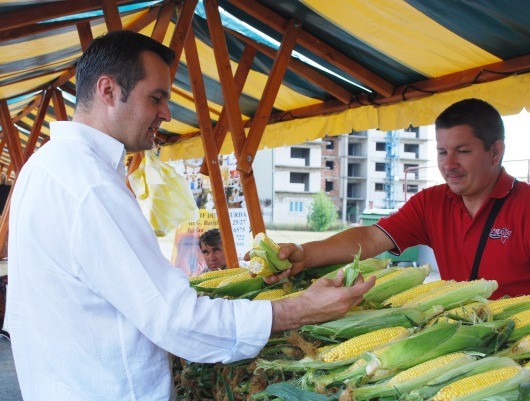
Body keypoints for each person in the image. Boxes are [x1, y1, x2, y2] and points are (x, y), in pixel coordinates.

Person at [6, 30, 375, 401]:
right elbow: (176, 319)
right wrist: (300, 310)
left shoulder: (43, 167)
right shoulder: (92, 186)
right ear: (108, 91)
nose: (166, 113)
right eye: (156, 98)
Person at [270, 99, 530, 300]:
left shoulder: (525, 206)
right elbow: (371, 238)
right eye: (441, 152)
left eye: (462, 151)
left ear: (495, 152)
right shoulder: (432, 202)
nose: (449, 164)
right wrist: (306, 254)